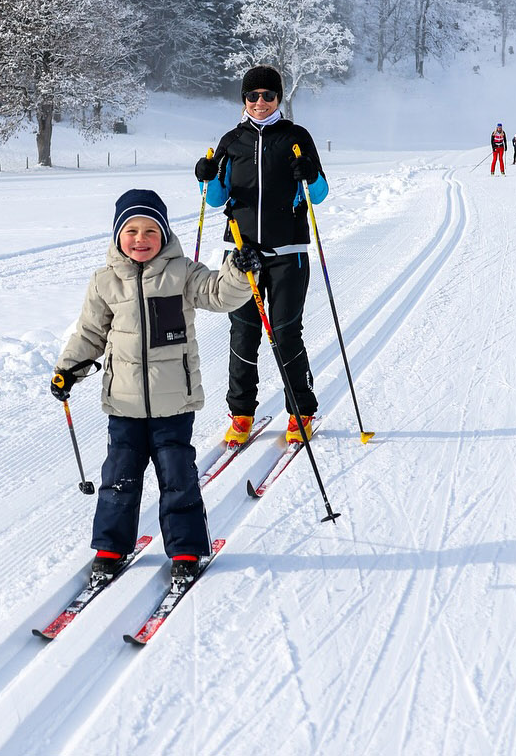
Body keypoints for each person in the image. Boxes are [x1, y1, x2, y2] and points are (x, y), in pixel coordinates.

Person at [51, 189, 256, 584]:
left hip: (173, 403)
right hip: (124, 404)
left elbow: (222, 294)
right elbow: (90, 335)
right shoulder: (104, 282)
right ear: (117, 236)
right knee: (118, 477)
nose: (140, 239)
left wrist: (239, 270)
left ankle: (185, 549)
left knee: (177, 476)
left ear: (164, 234)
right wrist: (67, 371)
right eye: (131, 230)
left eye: (150, 230)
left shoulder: (182, 273)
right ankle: (111, 547)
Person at [194, 65, 327, 446]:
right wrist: (206, 174)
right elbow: (216, 198)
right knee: (243, 334)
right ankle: (241, 414)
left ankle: (301, 411)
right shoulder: (231, 140)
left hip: (289, 253)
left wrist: (310, 173)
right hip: (241, 255)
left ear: (279, 98)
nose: (260, 103)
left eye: (268, 95)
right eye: (252, 96)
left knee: (286, 333)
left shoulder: (296, 137)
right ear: (243, 100)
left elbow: (319, 194)